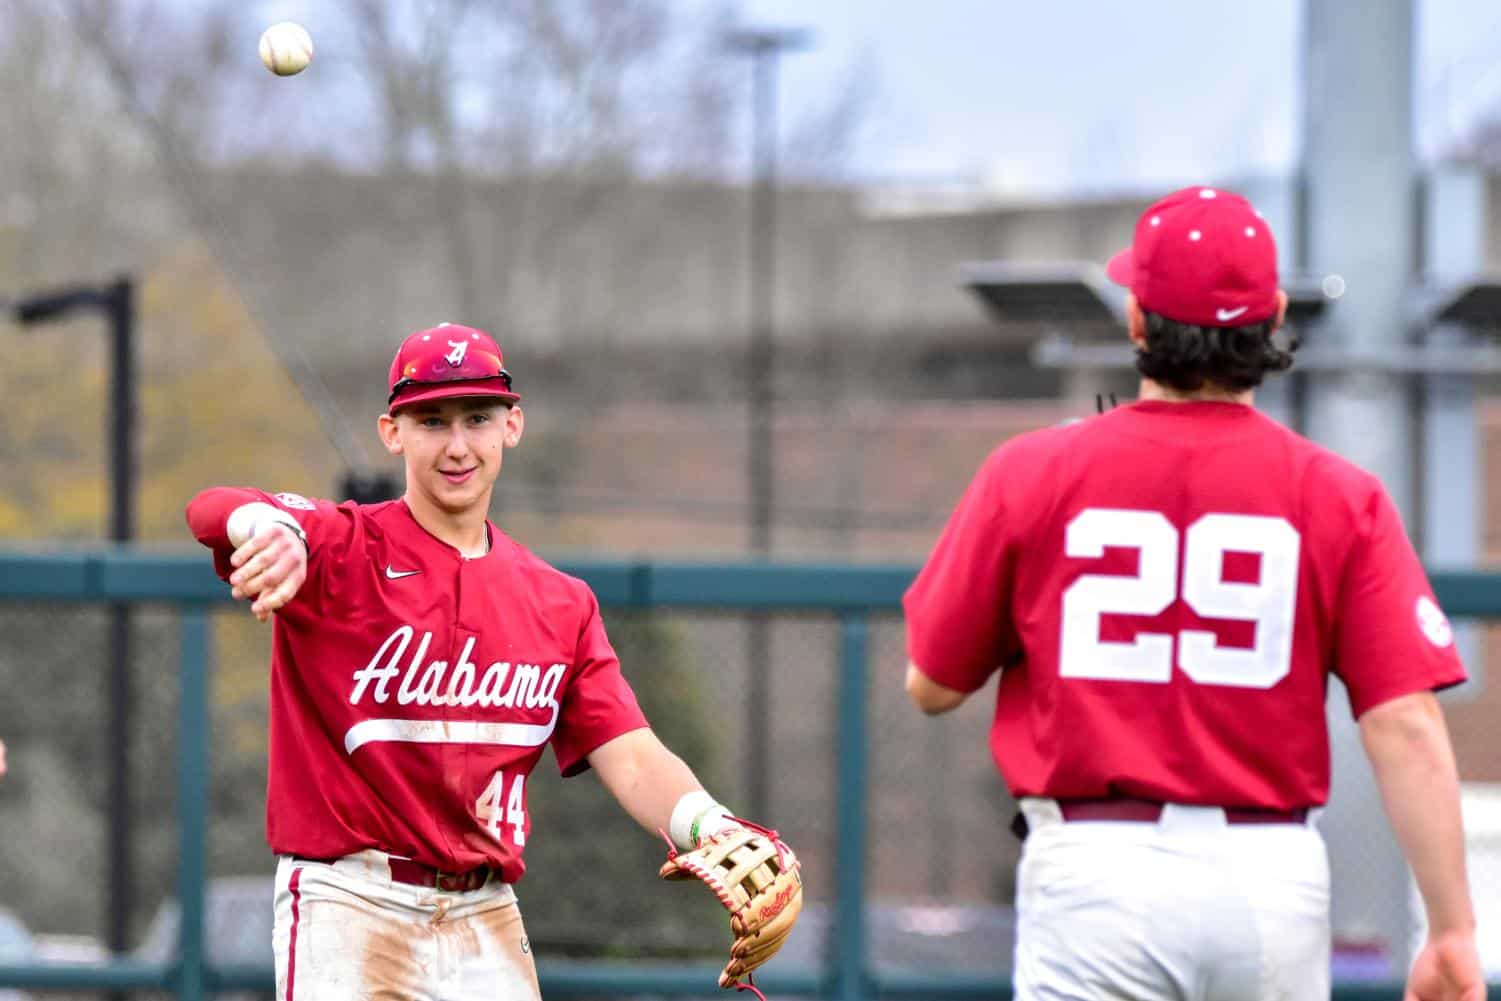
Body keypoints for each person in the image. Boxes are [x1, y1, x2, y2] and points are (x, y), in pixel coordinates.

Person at [902, 187, 1484, 1001]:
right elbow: (1404, 721)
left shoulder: (1034, 471)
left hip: (1093, 869)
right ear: (1274, 314)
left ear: (1136, 320)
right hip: (1268, 872)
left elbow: (933, 685)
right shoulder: (1336, 492)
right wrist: (1451, 928)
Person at [186, 323, 798, 1001]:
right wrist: (274, 530)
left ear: (512, 425)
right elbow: (212, 509)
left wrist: (708, 823)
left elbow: (631, 755)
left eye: (477, 418)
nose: (457, 445)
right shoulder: (339, 548)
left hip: (485, 909)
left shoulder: (559, 601)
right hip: (350, 900)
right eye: (432, 420)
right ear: (393, 432)